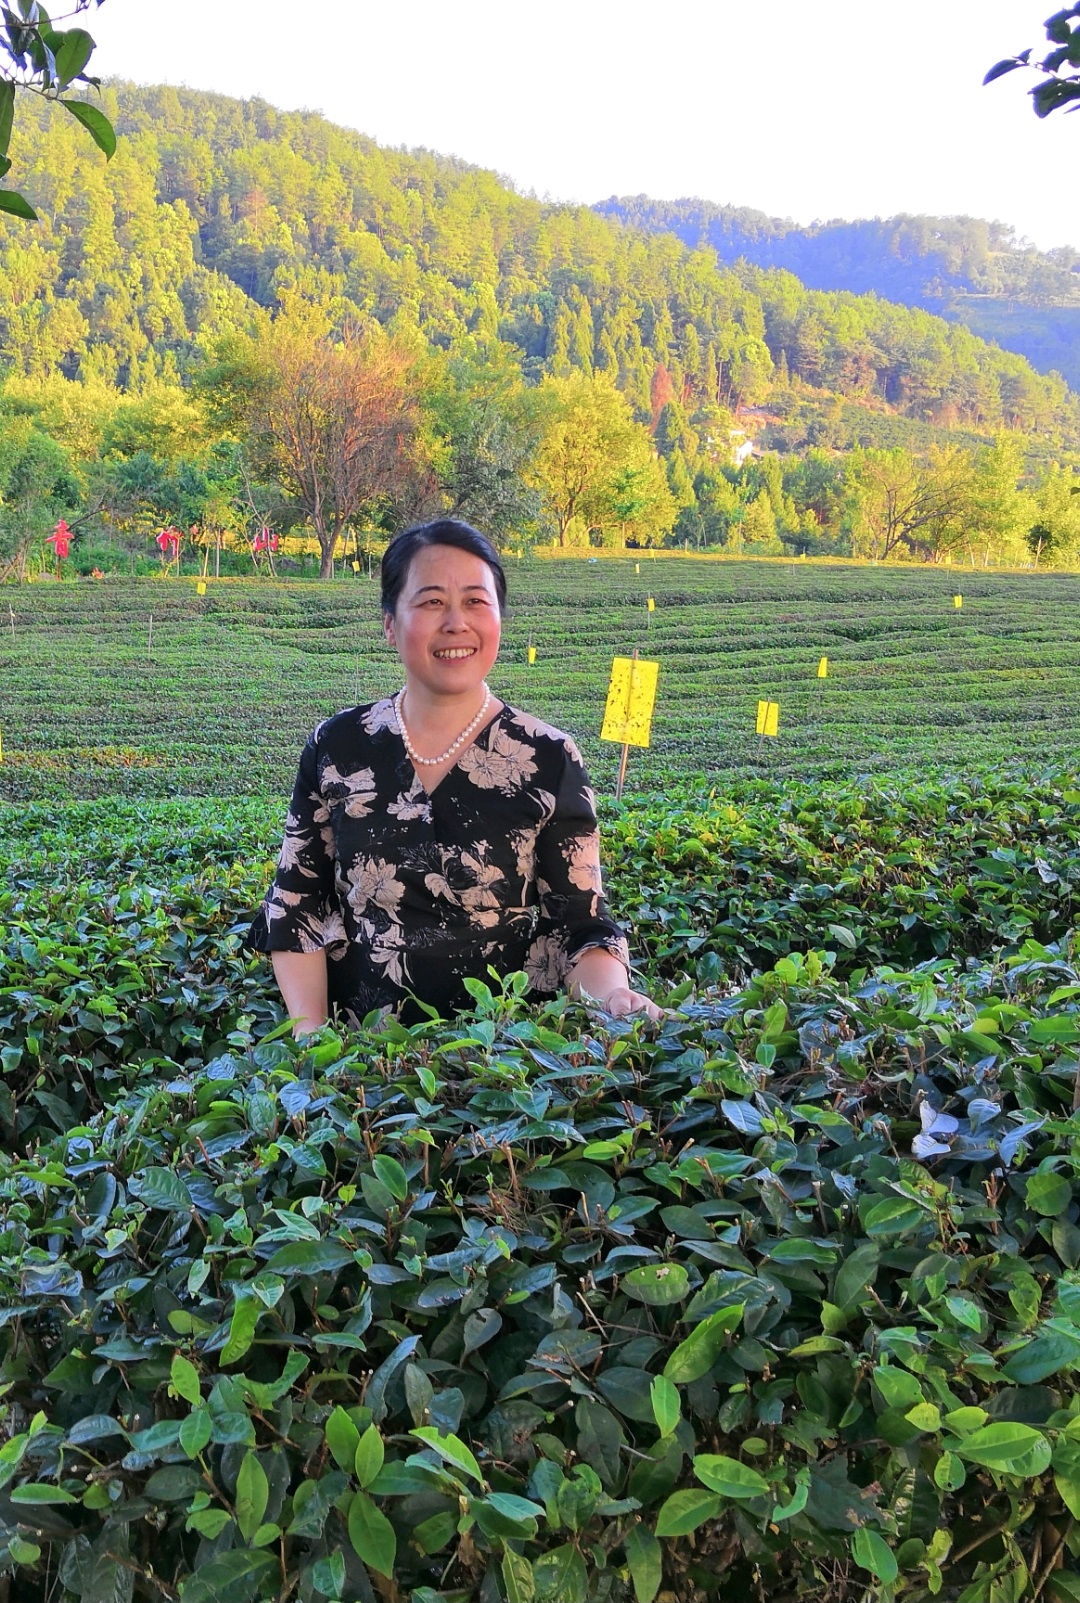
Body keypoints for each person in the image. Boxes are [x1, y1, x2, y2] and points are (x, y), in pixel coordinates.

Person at [248, 518, 659, 1032]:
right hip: (362, 1060)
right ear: (390, 623)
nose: (456, 623)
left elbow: (580, 923)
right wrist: (312, 1042)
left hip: (503, 1057)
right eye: (431, 602)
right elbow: (297, 904)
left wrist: (614, 994)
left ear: (499, 617)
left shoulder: (549, 757)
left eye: (475, 601)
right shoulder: (338, 746)